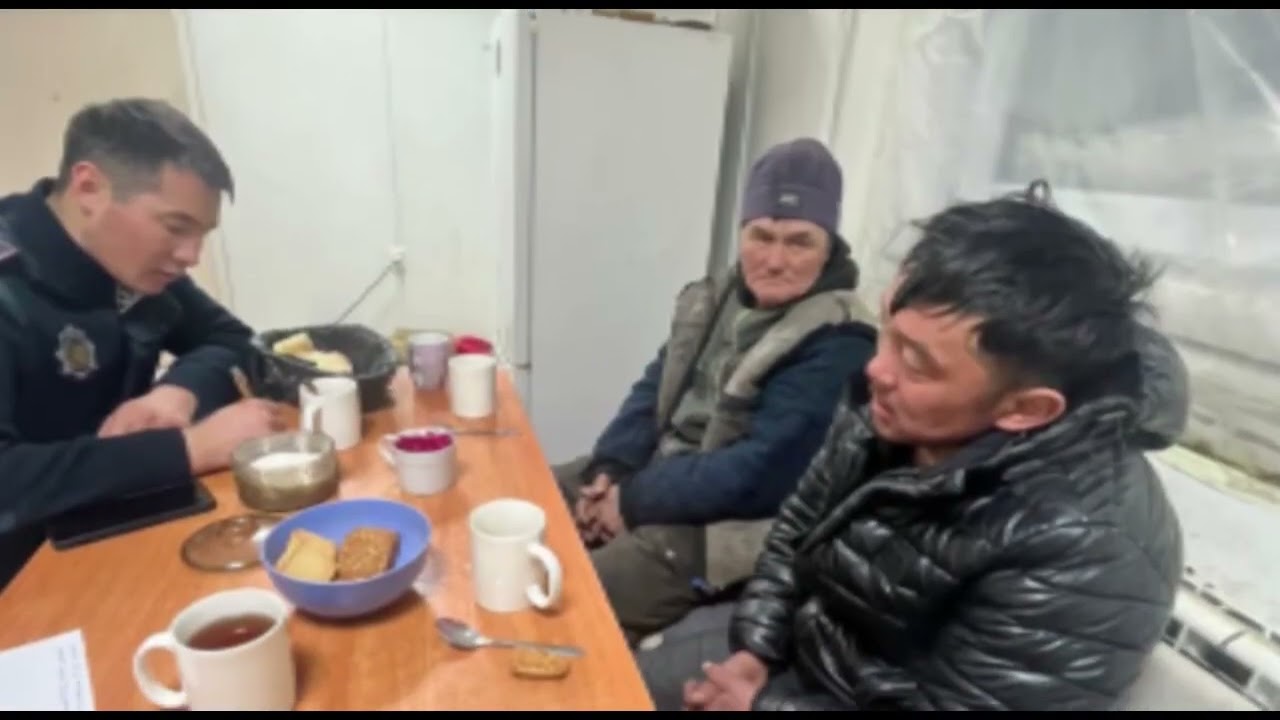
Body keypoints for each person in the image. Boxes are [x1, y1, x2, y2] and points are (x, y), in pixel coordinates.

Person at [637, 180, 1187, 711]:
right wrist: (755, 650)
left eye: (917, 362)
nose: (876, 369)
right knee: (621, 675)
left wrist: (763, 705)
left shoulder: (1084, 548)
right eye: (888, 331)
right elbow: (795, 532)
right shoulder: (893, 409)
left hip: (839, 693)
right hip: (804, 653)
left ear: (1025, 409)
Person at [554, 138, 878, 644]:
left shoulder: (841, 339)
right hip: (664, 474)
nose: (774, 259)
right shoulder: (717, 295)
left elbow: (759, 474)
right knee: (531, 496)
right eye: (761, 236)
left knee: (570, 600)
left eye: (799, 242)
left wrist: (631, 501)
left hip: (733, 521)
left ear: (829, 247)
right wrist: (610, 470)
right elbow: (654, 388)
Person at [0, 98, 286, 589]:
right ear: (89, 188)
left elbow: (234, 340)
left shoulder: (131, 263)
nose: (191, 255)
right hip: (27, 575)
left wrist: (177, 392)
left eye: (201, 234)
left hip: (124, 528)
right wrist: (186, 449)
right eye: (175, 227)